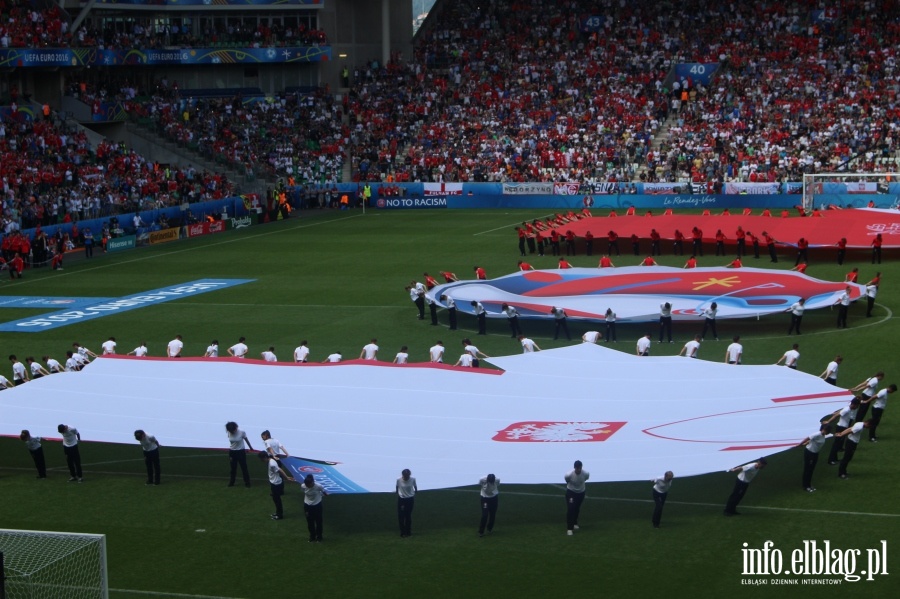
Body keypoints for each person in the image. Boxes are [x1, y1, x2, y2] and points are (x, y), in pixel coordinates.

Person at [258, 451, 292, 520]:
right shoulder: (271, 461)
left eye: (262, 459)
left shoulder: (272, 464)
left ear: (265, 457)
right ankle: (278, 513)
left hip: (276, 484)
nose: (261, 461)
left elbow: (280, 470)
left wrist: (286, 477)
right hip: (274, 482)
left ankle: (279, 515)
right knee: (275, 499)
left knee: (277, 500)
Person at [800, 423, 833, 492]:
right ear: (824, 429)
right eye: (828, 431)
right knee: (808, 469)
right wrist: (800, 444)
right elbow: (808, 438)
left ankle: (808, 484)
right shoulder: (817, 434)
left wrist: (807, 443)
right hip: (809, 453)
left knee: (811, 469)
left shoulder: (822, 435)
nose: (828, 433)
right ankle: (806, 486)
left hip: (815, 453)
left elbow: (811, 440)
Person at [225, 421, 254, 487]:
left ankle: (247, 482)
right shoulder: (229, 432)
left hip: (240, 452)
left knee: (244, 468)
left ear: (235, 428)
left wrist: (251, 448)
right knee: (233, 468)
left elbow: (246, 439)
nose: (232, 432)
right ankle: (232, 482)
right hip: (232, 452)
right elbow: (232, 442)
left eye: (233, 430)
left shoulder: (241, 432)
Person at [564, 460, 589, 535]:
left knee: (577, 508)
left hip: (581, 493)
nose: (578, 470)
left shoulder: (586, 474)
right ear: (574, 468)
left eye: (580, 468)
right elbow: (567, 481)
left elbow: (585, 479)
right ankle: (569, 528)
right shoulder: (568, 475)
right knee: (571, 509)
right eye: (577, 468)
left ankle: (575, 523)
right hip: (571, 493)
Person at [300, 474, 327, 541]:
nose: (308, 486)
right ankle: (312, 536)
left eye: (309, 485)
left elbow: (324, 492)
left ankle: (319, 537)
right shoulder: (303, 486)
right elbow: (303, 491)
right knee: (310, 522)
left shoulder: (318, 486)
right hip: (307, 505)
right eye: (307, 485)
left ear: (312, 482)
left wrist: (324, 495)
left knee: (318, 522)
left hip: (317, 505)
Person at [396, 469, 417, 537]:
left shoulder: (413, 479)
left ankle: (408, 532)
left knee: (408, 516)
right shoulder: (399, 480)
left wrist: (413, 493)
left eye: (407, 476)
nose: (406, 477)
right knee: (401, 516)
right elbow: (397, 487)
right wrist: (399, 494)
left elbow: (415, 487)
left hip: (410, 499)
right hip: (402, 499)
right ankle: (402, 532)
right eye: (405, 476)